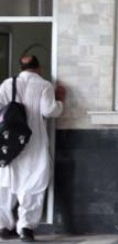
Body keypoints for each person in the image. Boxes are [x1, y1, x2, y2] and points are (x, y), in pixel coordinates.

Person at [0, 55, 65, 242]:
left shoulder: (6, 85)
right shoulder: (44, 85)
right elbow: (49, 111)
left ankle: (4, 226)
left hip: (9, 143)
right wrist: (60, 101)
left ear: (20, 67)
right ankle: (26, 227)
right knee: (33, 183)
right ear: (39, 68)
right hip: (33, 142)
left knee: (6, 184)